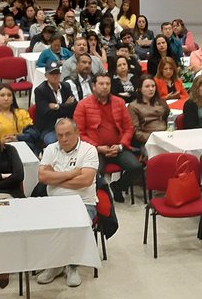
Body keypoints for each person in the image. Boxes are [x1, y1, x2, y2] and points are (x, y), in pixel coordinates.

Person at [36, 118, 98, 287]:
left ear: (77, 133)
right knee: (40, 222)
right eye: (60, 135)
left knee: (73, 222)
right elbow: (42, 177)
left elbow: (85, 180)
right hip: (54, 202)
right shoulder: (50, 149)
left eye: (68, 134)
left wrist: (55, 178)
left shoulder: (89, 150)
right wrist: (72, 173)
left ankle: (72, 266)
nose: (64, 139)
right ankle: (54, 264)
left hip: (83, 202)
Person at [74, 72, 143, 202]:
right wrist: (98, 148)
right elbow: (79, 133)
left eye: (107, 84)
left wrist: (121, 145)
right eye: (101, 84)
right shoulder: (83, 105)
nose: (105, 87)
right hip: (95, 150)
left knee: (136, 167)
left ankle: (118, 186)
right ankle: (101, 198)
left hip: (118, 148)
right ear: (93, 86)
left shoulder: (119, 102)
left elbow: (129, 128)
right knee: (94, 172)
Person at [34, 61, 76, 145]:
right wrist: (65, 106)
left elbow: (73, 106)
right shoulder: (40, 91)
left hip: (68, 124)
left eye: (57, 73)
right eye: (52, 73)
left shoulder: (66, 86)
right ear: (46, 75)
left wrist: (57, 106)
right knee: (53, 142)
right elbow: (46, 113)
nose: (55, 76)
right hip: (50, 127)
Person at [127, 76, 169, 147]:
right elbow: (135, 131)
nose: (151, 89)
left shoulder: (162, 102)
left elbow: (169, 120)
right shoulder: (133, 106)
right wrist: (153, 138)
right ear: (140, 89)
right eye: (147, 86)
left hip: (165, 136)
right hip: (147, 140)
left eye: (153, 86)